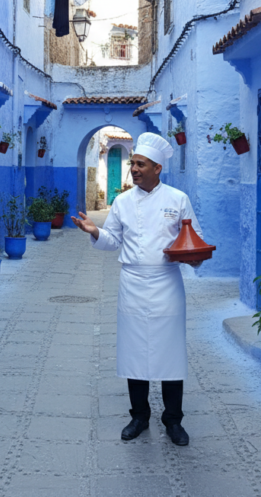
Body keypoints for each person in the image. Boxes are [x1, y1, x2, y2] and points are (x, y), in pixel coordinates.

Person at [71, 132, 204, 446]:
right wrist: (95, 231)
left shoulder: (178, 199)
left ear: (157, 168)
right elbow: (113, 241)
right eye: (133, 163)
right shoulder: (123, 202)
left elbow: (194, 240)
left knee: (170, 354)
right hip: (132, 283)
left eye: (141, 164)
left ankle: (173, 420)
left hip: (167, 282)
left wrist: (194, 258)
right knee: (134, 353)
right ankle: (139, 416)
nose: (134, 169)